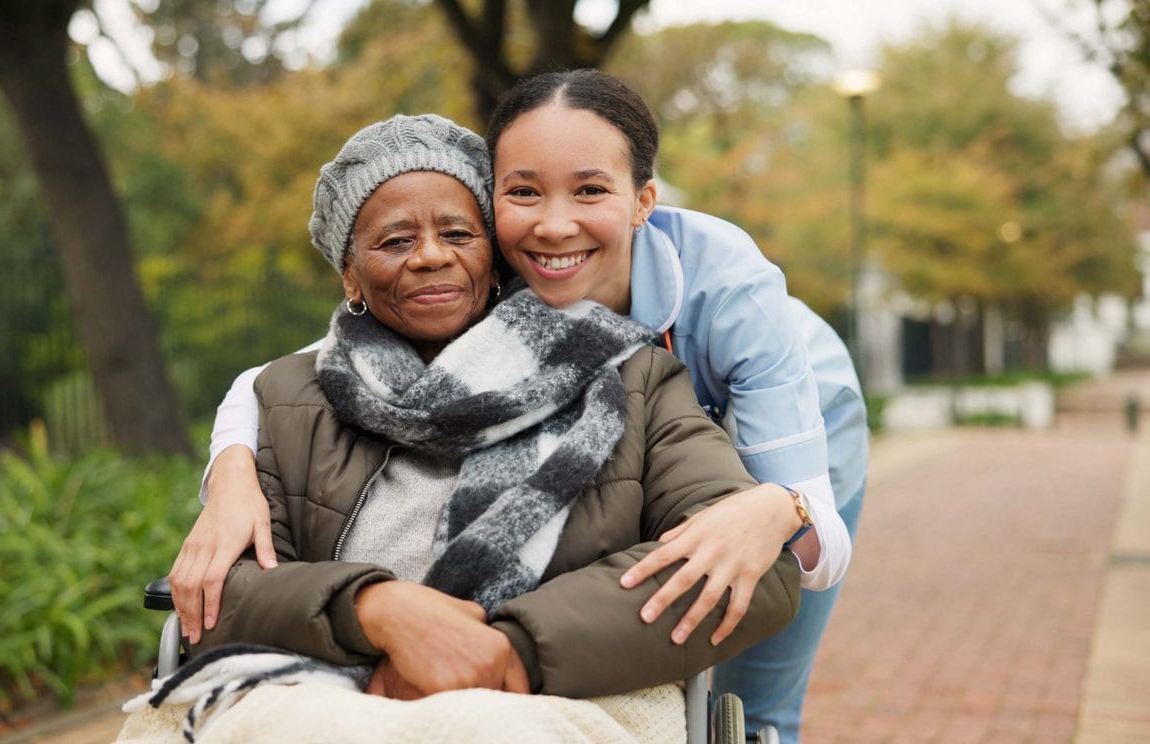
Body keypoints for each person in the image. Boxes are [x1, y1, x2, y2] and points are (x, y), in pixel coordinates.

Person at [180, 71, 867, 741]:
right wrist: (368, 601)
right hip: (341, 692)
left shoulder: (689, 334)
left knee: (761, 705)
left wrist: (784, 506)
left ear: (642, 201)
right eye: (524, 192)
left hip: (809, 418)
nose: (554, 225)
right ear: (349, 273)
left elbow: (801, 555)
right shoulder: (313, 386)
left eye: (456, 235)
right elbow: (284, 382)